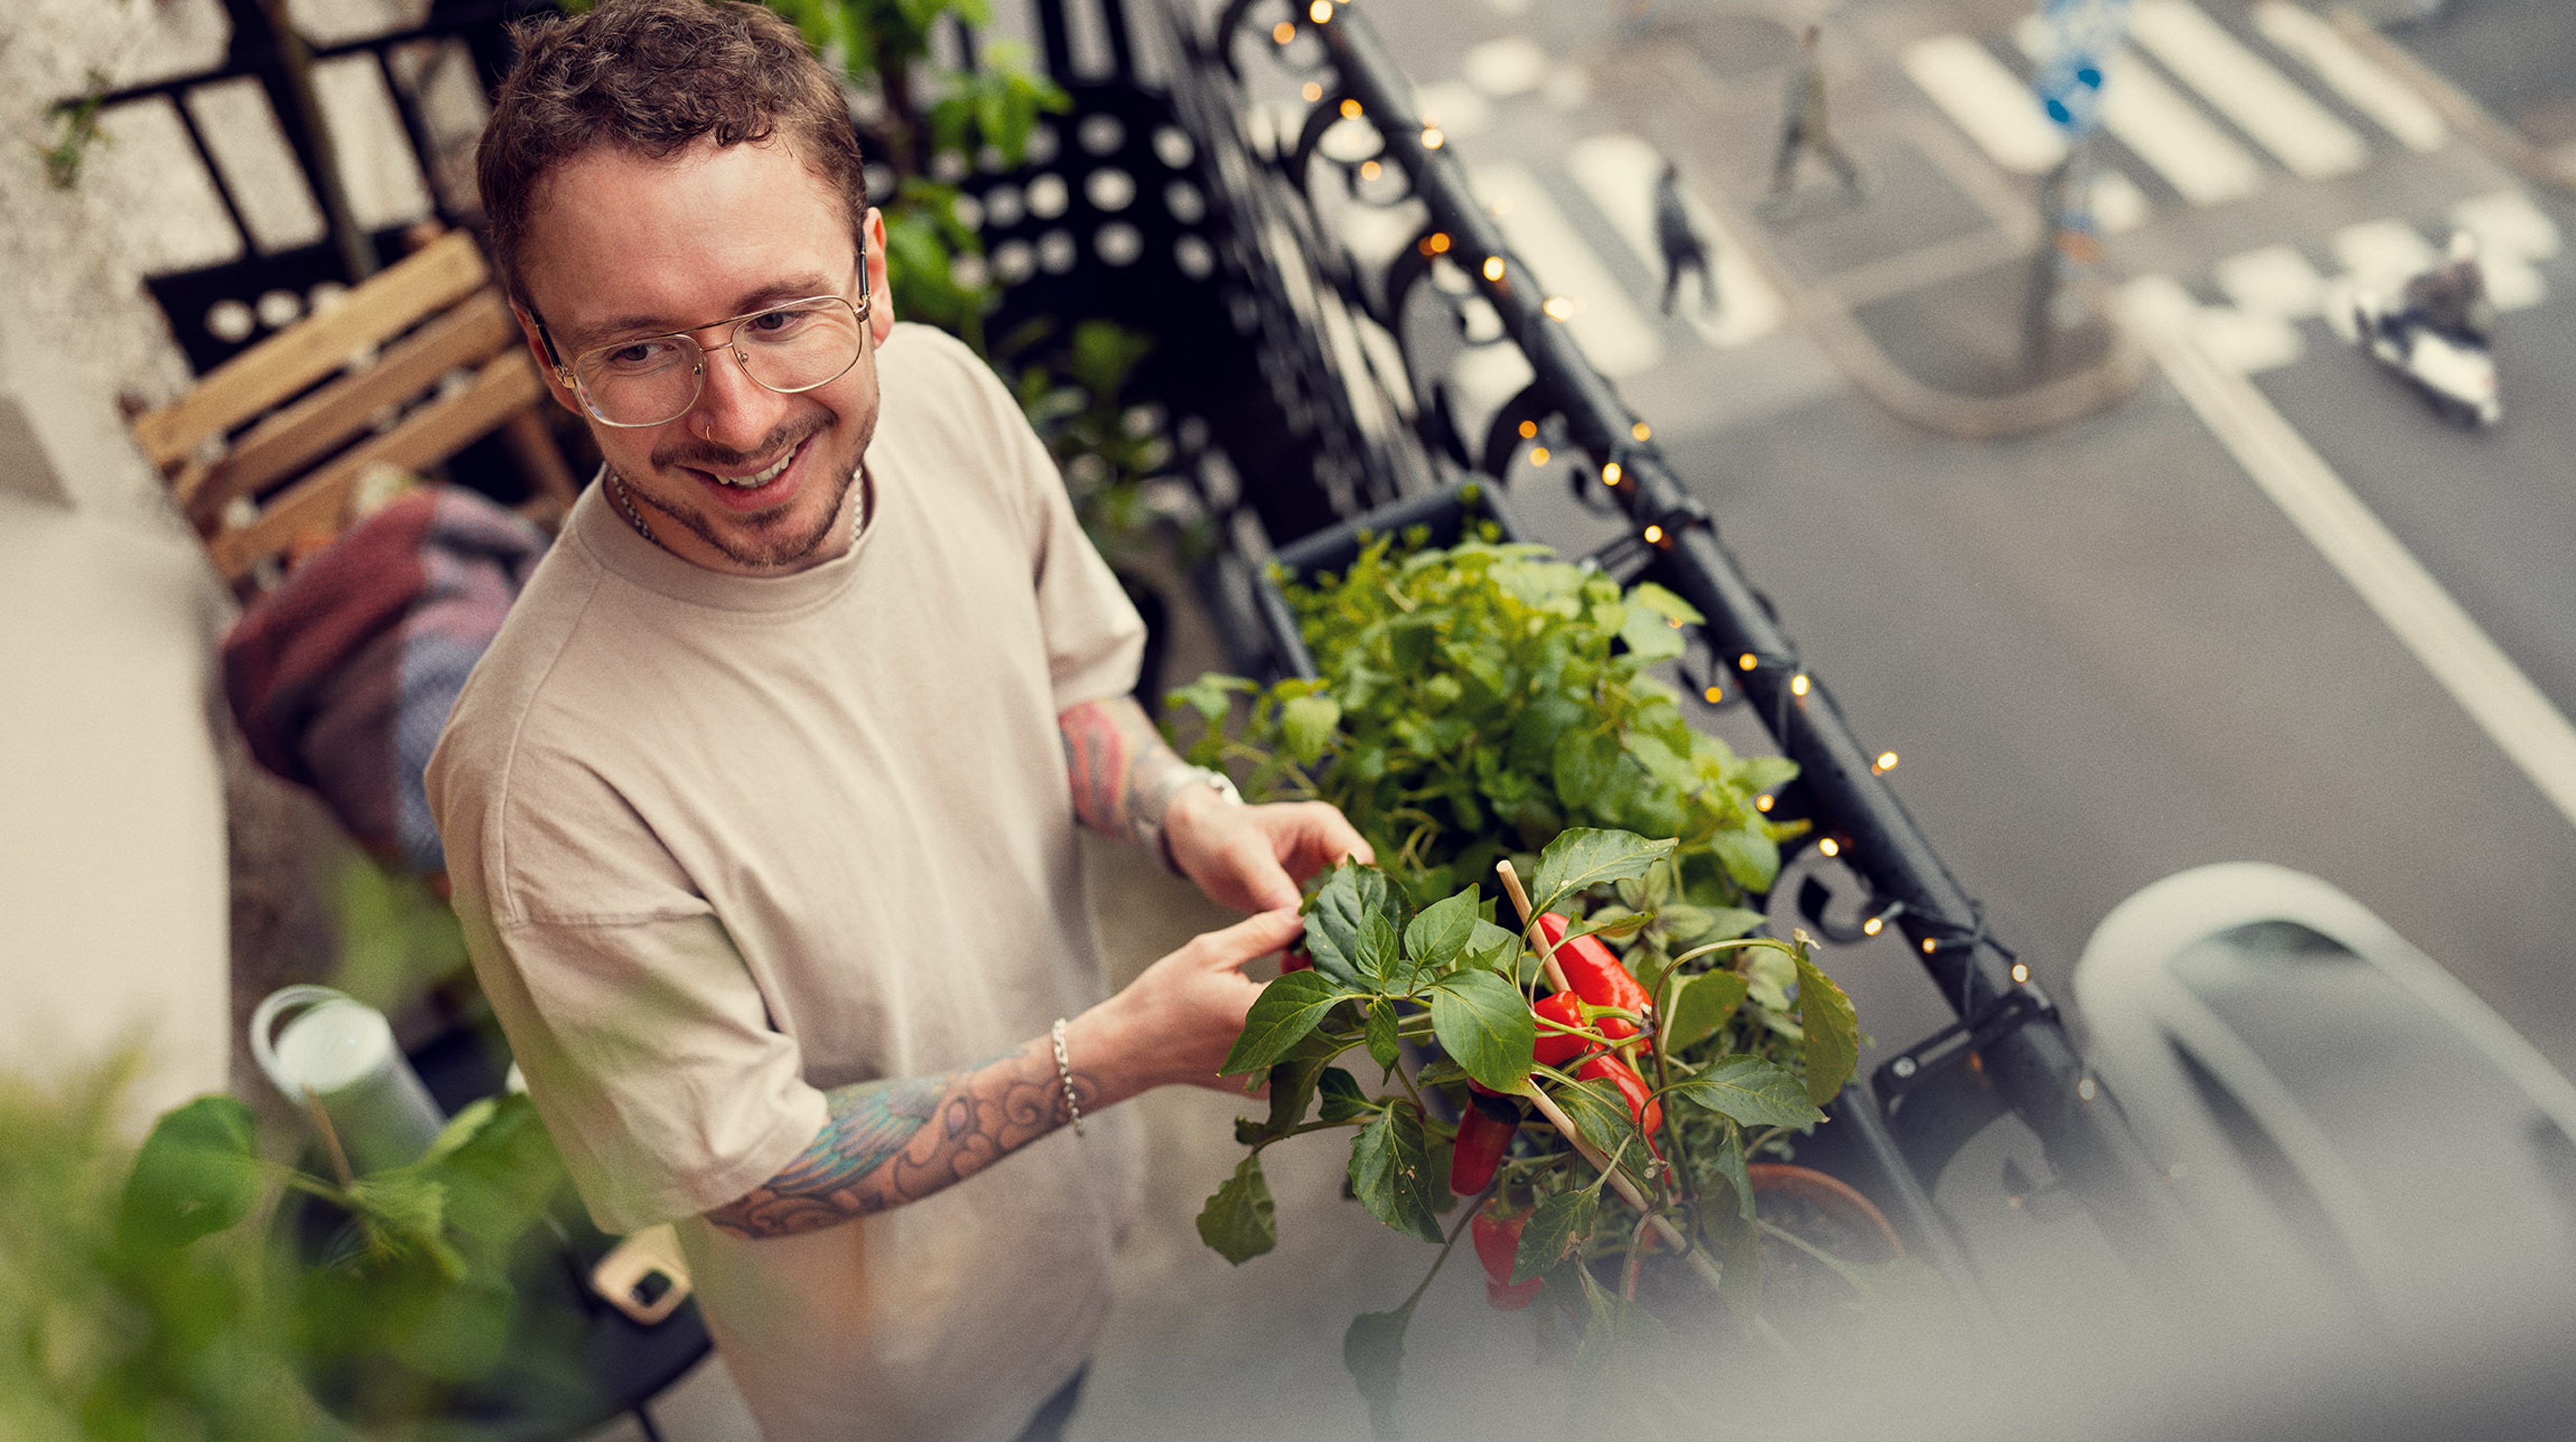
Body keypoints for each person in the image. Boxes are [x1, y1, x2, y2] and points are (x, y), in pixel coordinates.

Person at [423, 4, 1371, 1441]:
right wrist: (1111, 1056)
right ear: (551, 360)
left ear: (870, 271)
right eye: (638, 353)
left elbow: (1058, 689)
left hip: (1075, 1218)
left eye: (778, 315)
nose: (737, 417)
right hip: (908, 1384)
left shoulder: (943, 400)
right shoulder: (539, 779)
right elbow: (738, 1166)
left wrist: (1187, 809)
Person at [1770, 25, 1862, 197]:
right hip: (1800, 120)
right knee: (1790, 159)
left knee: (1802, 156)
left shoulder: (1807, 67)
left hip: (1803, 122)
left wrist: (1804, 120)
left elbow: (1807, 99)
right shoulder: (1803, 63)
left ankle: (1853, 177)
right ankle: (1782, 195)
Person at [2398, 229, 2493, 345]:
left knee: (2409, 314)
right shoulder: (2476, 273)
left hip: (2444, 321)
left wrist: (2409, 288)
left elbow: (2427, 290)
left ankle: (2402, 347)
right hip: (2461, 323)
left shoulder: (2450, 275)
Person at [1653, 160, 1719, 318]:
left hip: (1669, 244)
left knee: (1674, 276)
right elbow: (1676, 225)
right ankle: (1708, 301)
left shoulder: (1664, 191)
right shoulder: (1669, 200)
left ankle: (1667, 306)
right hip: (1677, 242)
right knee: (1701, 267)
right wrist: (1696, 240)